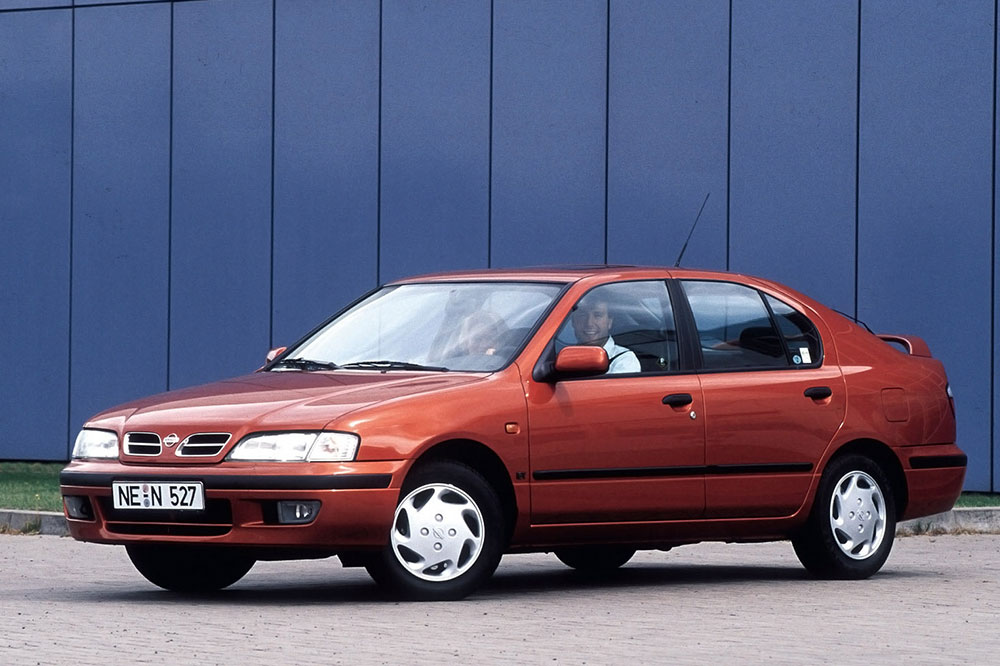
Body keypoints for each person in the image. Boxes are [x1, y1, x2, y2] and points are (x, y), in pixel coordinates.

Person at [571, 297, 640, 374]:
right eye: (583, 315)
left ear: (609, 322)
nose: (589, 323)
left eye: (597, 315)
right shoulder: (564, 357)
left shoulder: (624, 360)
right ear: (573, 321)